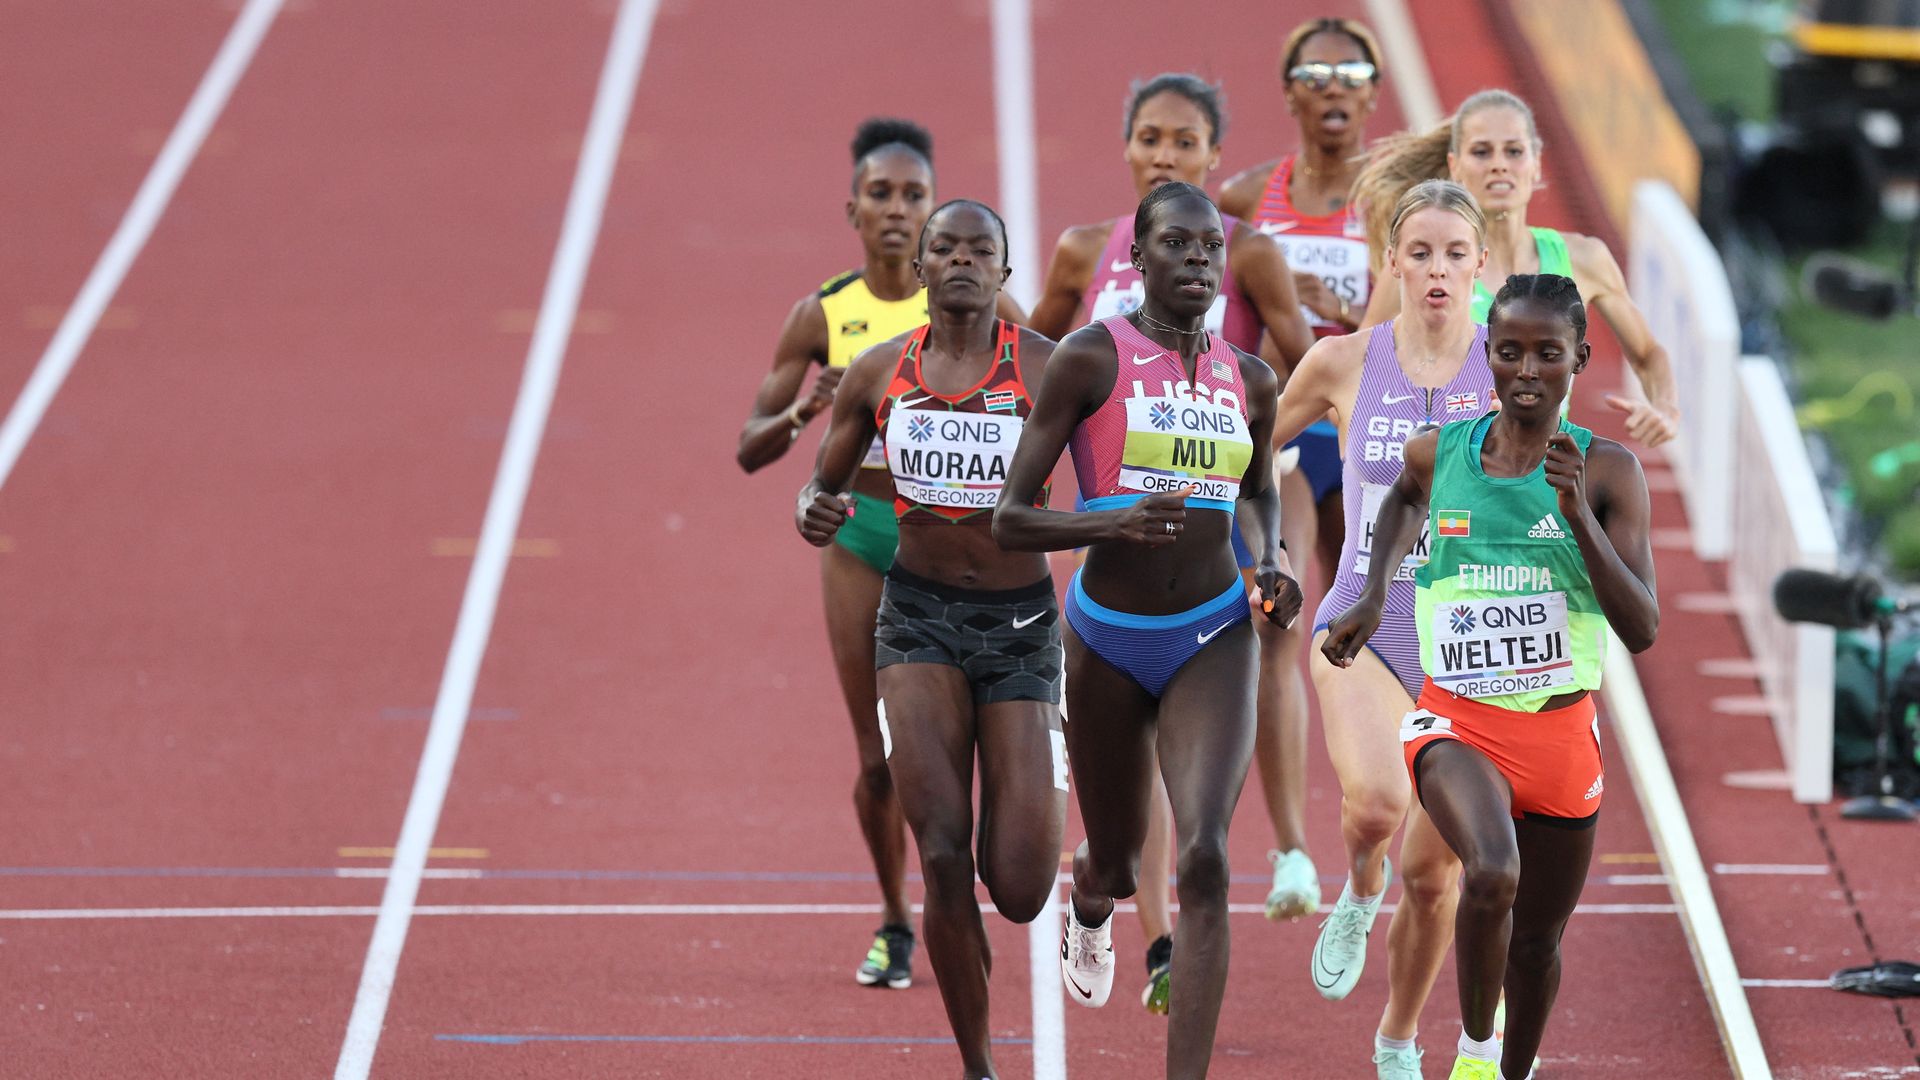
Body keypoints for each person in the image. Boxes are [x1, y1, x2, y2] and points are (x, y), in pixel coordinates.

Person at [995, 181, 1305, 1078]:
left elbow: (1257, 494)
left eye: (1212, 247)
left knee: (1205, 856)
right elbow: (1013, 518)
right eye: (1178, 244)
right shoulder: (1090, 359)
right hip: (1105, 638)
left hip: (1214, 631)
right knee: (1121, 864)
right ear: (1139, 255)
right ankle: (1089, 901)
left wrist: (1272, 562)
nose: (1200, 260)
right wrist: (1108, 523)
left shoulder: (1251, 378)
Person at [1322, 273, 1658, 1080]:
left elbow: (1642, 628)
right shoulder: (1443, 452)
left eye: (1549, 353)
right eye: (1509, 353)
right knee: (1491, 870)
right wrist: (1372, 595)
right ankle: (1474, 1050)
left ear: (1580, 357)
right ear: (1489, 357)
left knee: (1538, 943)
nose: (1529, 371)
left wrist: (1579, 518)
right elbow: (1401, 499)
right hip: (1458, 723)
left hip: (1560, 733)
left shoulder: (1608, 472)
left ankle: (1511, 1067)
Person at [738, 118, 1024, 987]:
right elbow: (751, 447)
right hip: (864, 541)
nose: (897, 212)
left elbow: (1047, 400)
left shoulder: (988, 303)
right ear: (853, 209)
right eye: (881, 195)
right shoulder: (823, 313)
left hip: (960, 546)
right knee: (878, 755)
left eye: (913, 196)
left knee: (968, 743)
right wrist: (802, 414)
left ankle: (963, 888)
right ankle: (898, 918)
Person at [797, 199, 1067, 1080]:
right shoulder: (879, 372)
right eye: (942, 248)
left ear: (1003, 272)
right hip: (914, 622)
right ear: (919, 268)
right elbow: (822, 484)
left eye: (977, 249)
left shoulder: (1050, 369)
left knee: (1020, 883)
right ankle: (981, 1065)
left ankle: (1004, 905)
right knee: (943, 856)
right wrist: (815, 508)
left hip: (1022, 625)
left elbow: (1110, 478)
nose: (959, 260)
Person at [1268, 179, 1492, 1079]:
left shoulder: (1509, 366)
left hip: (1473, 637)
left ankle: (1397, 1038)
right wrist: (1266, 550)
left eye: (1455, 255)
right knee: (1376, 807)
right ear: (1391, 261)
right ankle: (1360, 887)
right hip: (1364, 618)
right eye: (1421, 253)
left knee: (1438, 878)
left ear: (1480, 265)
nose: (1437, 271)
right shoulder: (1341, 363)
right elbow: (1247, 451)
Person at [1353, 89, 1680, 448]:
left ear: (1536, 162)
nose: (1498, 164)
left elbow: (1648, 355)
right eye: (1481, 152)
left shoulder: (1585, 260)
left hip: (1537, 484)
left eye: (1513, 151)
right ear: (1455, 165)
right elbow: (1360, 366)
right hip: (1445, 482)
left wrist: (1665, 409)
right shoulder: (1425, 266)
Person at [1219, 15, 1384, 593]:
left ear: (1372, 91)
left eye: (1351, 73)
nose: (1333, 86)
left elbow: (1426, 332)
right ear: (1290, 92)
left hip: (1359, 428)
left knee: (1370, 606)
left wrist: (1341, 312)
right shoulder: (1245, 197)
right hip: (1275, 426)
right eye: (1315, 74)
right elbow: (1220, 315)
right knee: (1272, 606)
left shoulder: (1397, 202)